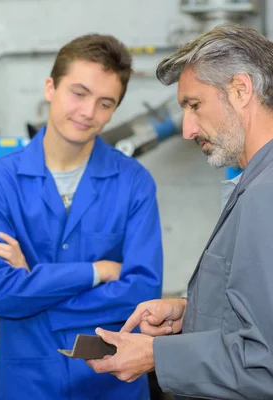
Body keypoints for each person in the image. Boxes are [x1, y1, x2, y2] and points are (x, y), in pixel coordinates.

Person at [0, 33, 163, 399]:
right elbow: (0, 296)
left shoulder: (134, 182)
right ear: (50, 88)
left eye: (105, 103)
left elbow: (141, 294)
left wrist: (33, 286)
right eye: (79, 93)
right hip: (28, 383)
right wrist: (98, 272)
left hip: (111, 382)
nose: (89, 112)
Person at [87, 23, 273, 400]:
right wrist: (191, 313)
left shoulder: (264, 194)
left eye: (194, 104)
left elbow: (263, 363)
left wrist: (156, 354)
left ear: (240, 90)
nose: (187, 129)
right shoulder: (254, 182)